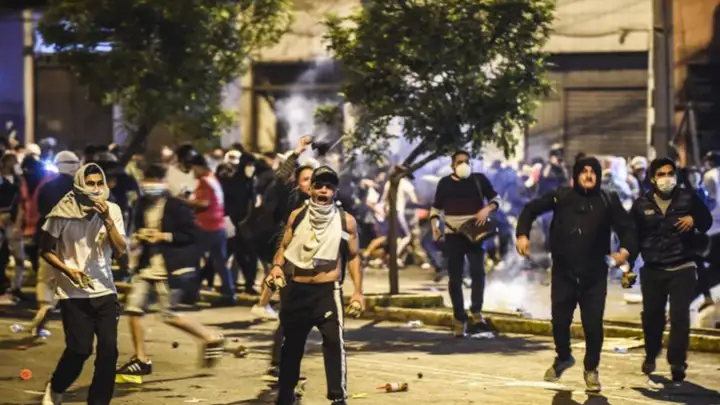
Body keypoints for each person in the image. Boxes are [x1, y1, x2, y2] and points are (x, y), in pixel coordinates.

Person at [515, 157, 637, 392]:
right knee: (560, 322)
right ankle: (563, 357)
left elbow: (627, 228)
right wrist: (522, 234)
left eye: (593, 172)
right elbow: (530, 209)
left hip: (594, 275)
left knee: (593, 326)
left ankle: (591, 369)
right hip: (564, 273)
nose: (588, 175)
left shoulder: (608, 199)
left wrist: (624, 251)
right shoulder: (561, 196)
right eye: (584, 171)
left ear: (598, 176)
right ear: (576, 175)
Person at [115, 163, 225, 380]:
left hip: (170, 268)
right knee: (134, 309)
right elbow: (137, 230)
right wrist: (139, 236)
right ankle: (141, 359)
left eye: (153, 181)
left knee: (168, 315)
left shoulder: (177, 206)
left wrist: (163, 236)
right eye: (146, 181)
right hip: (148, 268)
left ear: (163, 183)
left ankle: (211, 338)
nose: (149, 185)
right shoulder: (140, 205)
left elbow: (191, 234)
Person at [268, 165, 364, 405]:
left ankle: (338, 398)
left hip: (327, 291)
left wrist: (358, 293)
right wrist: (277, 267)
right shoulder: (297, 216)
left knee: (333, 343)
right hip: (297, 289)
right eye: (319, 186)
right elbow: (284, 247)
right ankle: (286, 394)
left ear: (334, 192)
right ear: (310, 189)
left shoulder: (345, 221)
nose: (323, 191)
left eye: (328, 187)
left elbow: (353, 257)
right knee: (292, 345)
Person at [40, 163, 126, 405]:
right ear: (79, 184)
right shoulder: (62, 212)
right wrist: (68, 271)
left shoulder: (113, 210)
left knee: (109, 352)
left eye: (99, 183)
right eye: (90, 184)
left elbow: (121, 250)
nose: (96, 189)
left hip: (105, 290)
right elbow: (45, 249)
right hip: (73, 293)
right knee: (80, 350)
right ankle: (57, 386)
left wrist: (107, 219)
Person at [630, 157, 713, 383]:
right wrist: (628, 266)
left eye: (670, 173)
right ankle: (651, 353)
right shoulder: (641, 205)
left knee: (679, 317)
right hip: (653, 270)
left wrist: (693, 218)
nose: (666, 178)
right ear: (652, 179)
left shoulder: (688, 198)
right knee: (652, 318)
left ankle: (677, 362)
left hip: (682, 266)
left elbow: (706, 221)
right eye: (661, 174)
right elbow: (631, 237)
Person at [429, 151, 501, 337]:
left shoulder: (478, 180)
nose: (463, 165)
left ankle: (476, 312)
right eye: (459, 162)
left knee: (478, 273)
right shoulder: (445, 183)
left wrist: (486, 209)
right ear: (452, 165)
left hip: (475, 234)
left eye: (466, 162)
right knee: (455, 278)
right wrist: (435, 226)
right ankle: (459, 318)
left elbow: (495, 199)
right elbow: (436, 208)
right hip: (453, 235)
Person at [26, 151, 81, 338]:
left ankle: (45, 305)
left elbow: (40, 211)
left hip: (49, 237)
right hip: (74, 239)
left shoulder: (46, 187)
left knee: (45, 278)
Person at [184, 153, 236, 306]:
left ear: (199, 167)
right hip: (218, 226)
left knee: (191, 259)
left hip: (205, 227)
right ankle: (229, 295)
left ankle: (191, 294)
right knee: (220, 263)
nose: (192, 172)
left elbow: (204, 203)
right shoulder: (213, 179)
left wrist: (185, 201)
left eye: (194, 168)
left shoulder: (204, 181)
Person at [0, 153, 29, 302]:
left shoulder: (19, 181)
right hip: (2, 220)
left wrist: (19, 221)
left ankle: (15, 287)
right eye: (14, 161)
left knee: (19, 258)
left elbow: (22, 202)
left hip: (13, 221)